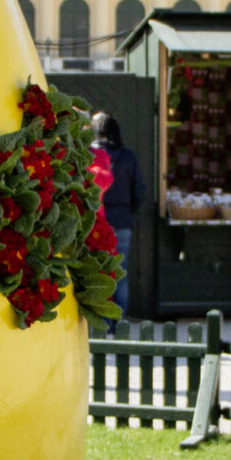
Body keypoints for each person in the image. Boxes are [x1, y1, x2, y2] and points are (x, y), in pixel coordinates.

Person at [90, 114, 147, 318]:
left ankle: (100, 322)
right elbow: (139, 190)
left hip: (95, 221)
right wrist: (128, 210)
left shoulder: (89, 154)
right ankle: (118, 324)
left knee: (96, 273)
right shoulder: (127, 156)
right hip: (122, 220)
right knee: (120, 273)